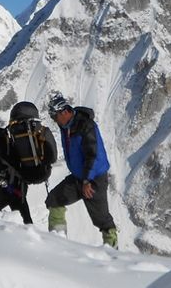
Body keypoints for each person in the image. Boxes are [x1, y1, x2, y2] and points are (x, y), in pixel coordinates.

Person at [44, 94, 118, 248]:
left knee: (102, 219)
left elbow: (93, 155)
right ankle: (57, 242)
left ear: (64, 112)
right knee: (54, 199)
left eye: (54, 116)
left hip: (93, 179)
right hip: (78, 177)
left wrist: (87, 180)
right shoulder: (66, 126)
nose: (54, 121)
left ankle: (113, 253)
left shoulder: (85, 126)